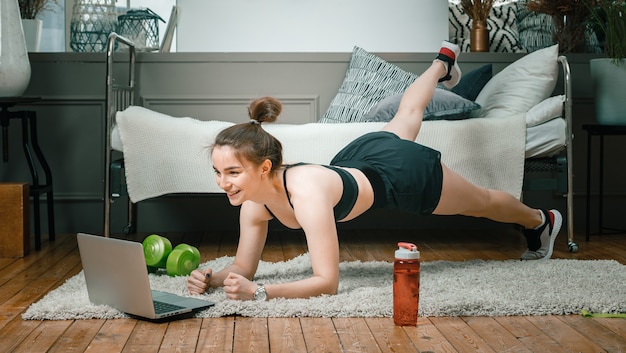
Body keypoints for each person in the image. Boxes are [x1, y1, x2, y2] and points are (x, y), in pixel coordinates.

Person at [187, 41, 562, 301]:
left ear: (264, 166)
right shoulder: (255, 202)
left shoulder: (307, 194)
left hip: (397, 175)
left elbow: (327, 282)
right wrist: (213, 279)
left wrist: (262, 292)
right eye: (218, 172)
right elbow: (243, 266)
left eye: (232, 173)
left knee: (480, 202)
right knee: (408, 114)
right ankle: (442, 63)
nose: (223, 183)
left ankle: (539, 220)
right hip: (361, 157)